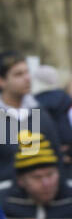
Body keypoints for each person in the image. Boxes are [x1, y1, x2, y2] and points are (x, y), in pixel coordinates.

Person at [0, 51, 63, 183]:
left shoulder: (36, 111)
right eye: (18, 74)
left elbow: (50, 155)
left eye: (27, 72)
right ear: (2, 81)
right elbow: (11, 157)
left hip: (40, 192)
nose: (27, 78)